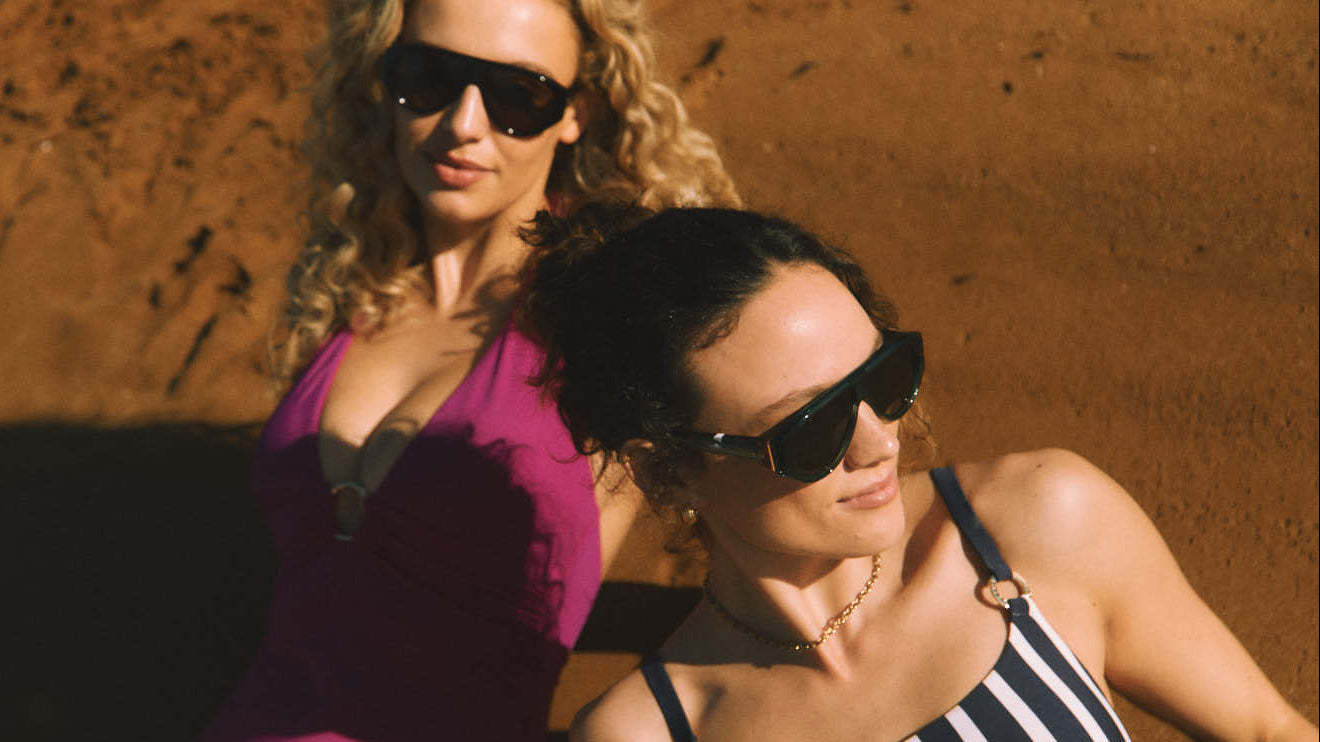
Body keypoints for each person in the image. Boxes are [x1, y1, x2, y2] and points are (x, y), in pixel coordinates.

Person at [518, 205, 1319, 742]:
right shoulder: (649, 731)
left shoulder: (1037, 522)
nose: (878, 442)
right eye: (812, 428)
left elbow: (1266, 730)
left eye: (883, 379)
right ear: (670, 473)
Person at [201, 0, 738, 739]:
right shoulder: (348, 295)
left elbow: (799, 487)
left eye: (519, 97)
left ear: (575, 114)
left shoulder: (611, 316)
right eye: (429, 78)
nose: (463, 124)